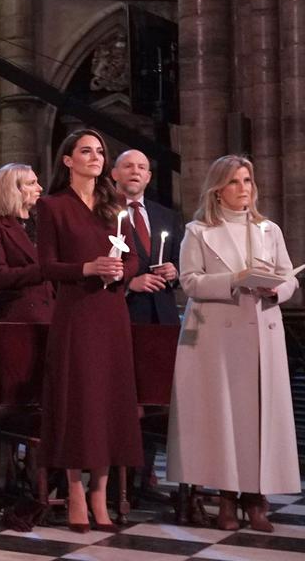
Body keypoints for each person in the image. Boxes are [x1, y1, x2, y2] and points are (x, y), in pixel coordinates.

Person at [168, 155, 300, 532]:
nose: (244, 188)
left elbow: (289, 276)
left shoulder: (268, 229)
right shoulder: (198, 230)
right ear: (218, 189)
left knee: (259, 415)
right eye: (235, 182)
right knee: (223, 416)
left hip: (261, 329)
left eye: (247, 180)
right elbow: (190, 281)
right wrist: (235, 278)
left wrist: (278, 288)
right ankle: (226, 495)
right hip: (217, 336)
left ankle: (256, 499)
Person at [36, 129, 142, 531]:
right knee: (79, 400)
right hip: (76, 314)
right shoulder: (52, 206)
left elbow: (132, 260)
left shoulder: (115, 205)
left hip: (111, 312)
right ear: (68, 160)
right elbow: (46, 265)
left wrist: (121, 269)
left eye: (100, 152)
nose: (96, 158)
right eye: (86, 151)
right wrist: (87, 268)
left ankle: (102, 496)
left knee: (109, 402)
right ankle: (75, 492)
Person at [111, 150, 182, 325]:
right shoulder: (102, 213)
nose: (135, 171)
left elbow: (181, 260)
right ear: (114, 174)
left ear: (148, 177)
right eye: (128, 166)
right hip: (123, 314)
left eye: (141, 167)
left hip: (164, 315)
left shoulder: (167, 216)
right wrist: (129, 284)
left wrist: (174, 272)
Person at [0, 163, 52, 324]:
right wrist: (44, 270)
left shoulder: (44, 223)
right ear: (14, 189)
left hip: (50, 313)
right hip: (17, 315)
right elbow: (0, 276)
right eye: (32, 183)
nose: (40, 188)